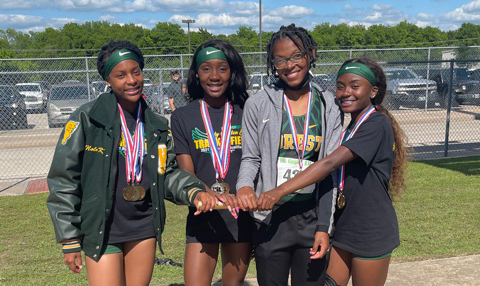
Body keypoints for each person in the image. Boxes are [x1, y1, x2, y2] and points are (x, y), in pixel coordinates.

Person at [46, 40, 213, 285]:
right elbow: (64, 178)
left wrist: (193, 190)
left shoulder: (156, 125)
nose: (132, 80)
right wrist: (69, 238)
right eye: (120, 75)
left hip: (143, 226)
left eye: (136, 72)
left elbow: (165, 173)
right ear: (107, 80)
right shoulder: (87, 119)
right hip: (103, 227)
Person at [258, 57, 407, 286]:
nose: (346, 92)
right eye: (340, 86)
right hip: (344, 226)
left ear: (373, 91)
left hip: (370, 230)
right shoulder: (350, 128)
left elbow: (328, 164)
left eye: (355, 86)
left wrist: (277, 192)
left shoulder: (376, 124)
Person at [236, 24, 343, 286]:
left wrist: (323, 228)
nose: (289, 65)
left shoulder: (328, 104)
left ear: (310, 54)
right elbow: (251, 158)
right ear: (273, 62)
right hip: (270, 218)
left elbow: (329, 170)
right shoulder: (258, 103)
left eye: (296, 56)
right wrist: (245, 186)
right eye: (280, 59)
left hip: (311, 216)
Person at [171, 39, 252, 286]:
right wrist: (213, 197)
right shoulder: (182, 116)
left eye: (222, 68)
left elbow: (254, 161)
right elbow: (187, 173)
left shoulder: (247, 110)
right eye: (206, 68)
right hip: (202, 211)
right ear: (196, 73)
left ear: (232, 72)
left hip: (240, 214)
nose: (214, 76)